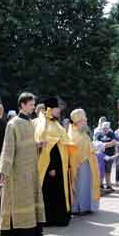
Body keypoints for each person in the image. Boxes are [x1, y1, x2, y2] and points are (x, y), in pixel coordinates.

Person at [0, 93, 45, 236]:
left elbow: (27, 145)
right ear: (22, 105)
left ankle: (33, 230)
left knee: (30, 199)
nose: (33, 107)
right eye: (31, 105)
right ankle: (21, 233)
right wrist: (4, 172)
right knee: (20, 200)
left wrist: (38, 145)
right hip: (17, 171)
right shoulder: (13, 124)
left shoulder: (30, 122)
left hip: (31, 168)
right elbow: (8, 148)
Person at [35, 96, 73, 226]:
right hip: (51, 168)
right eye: (57, 109)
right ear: (50, 109)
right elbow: (47, 149)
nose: (59, 111)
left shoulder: (55, 123)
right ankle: (51, 219)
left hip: (60, 166)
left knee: (59, 193)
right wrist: (51, 167)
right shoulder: (43, 124)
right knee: (51, 193)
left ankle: (61, 217)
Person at [68, 109, 100, 215]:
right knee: (80, 186)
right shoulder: (73, 134)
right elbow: (76, 150)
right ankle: (79, 208)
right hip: (80, 165)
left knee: (87, 185)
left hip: (88, 164)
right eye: (84, 121)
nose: (86, 122)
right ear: (78, 122)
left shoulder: (83, 133)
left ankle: (87, 206)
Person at [96, 122, 118, 192]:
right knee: (101, 170)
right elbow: (96, 144)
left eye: (106, 128)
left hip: (109, 155)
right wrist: (106, 144)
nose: (105, 129)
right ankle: (100, 184)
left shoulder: (112, 134)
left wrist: (103, 145)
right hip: (101, 156)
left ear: (108, 128)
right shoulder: (99, 134)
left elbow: (113, 143)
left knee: (108, 171)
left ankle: (109, 185)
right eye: (104, 128)